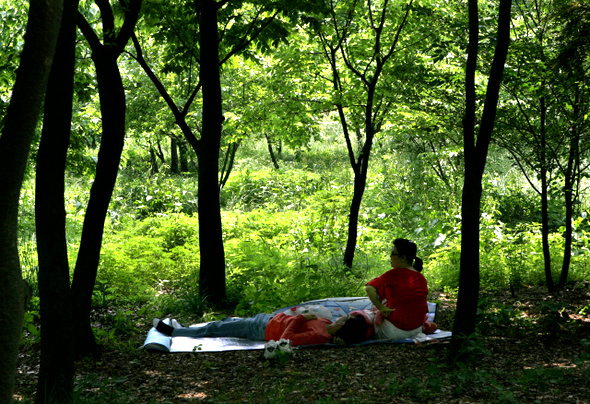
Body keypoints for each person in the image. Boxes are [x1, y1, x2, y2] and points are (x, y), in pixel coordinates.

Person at [153, 310, 368, 346]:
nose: (341, 317)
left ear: (343, 325)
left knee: (215, 329)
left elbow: (287, 339)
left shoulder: (319, 336)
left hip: (262, 331)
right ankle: (184, 328)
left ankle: (174, 332)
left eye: (345, 318)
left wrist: (301, 317)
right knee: (226, 323)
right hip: (268, 320)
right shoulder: (328, 325)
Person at [365, 238, 429, 340]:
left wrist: (381, 307)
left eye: (393, 253)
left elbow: (369, 288)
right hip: (417, 330)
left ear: (403, 258)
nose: (390, 256)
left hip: (394, 332)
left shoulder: (392, 275)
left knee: (368, 316)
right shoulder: (421, 278)